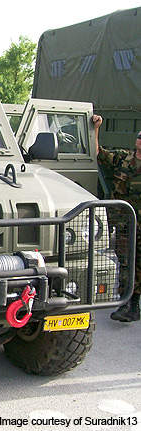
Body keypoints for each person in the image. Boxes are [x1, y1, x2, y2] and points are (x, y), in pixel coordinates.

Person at [93, 115, 140, 322]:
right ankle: (126, 302)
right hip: (125, 224)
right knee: (126, 262)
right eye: (139, 137)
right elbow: (97, 152)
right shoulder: (123, 158)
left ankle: (133, 304)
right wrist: (96, 128)